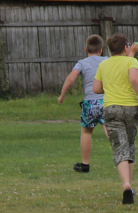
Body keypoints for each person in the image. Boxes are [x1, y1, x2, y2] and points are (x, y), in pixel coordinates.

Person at [94, 33, 138, 205]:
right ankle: (130, 188)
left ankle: (125, 185)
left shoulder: (103, 64)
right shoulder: (131, 61)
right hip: (131, 108)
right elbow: (133, 78)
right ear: (126, 47)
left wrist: (111, 86)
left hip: (111, 108)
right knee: (130, 144)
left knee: (119, 146)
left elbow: (96, 88)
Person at [58, 34, 109, 173]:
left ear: (86, 48)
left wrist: (62, 95)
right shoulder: (107, 60)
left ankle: (85, 164)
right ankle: (122, 157)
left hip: (89, 103)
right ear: (101, 49)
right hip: (106, 101)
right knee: (109, 129)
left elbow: (71, 78)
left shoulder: (82, 63)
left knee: (86, 132)